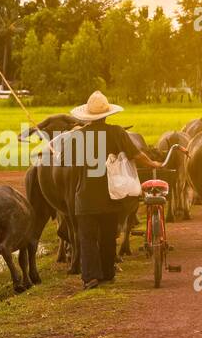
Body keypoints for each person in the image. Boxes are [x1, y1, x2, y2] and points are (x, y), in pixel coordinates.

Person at [67, 91, 169, 289]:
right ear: (106, 115)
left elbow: (66, 162)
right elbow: (136, 154)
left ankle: (90, 278)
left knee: (87, 238)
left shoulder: (78, 136)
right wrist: (153, 163)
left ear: (88, 115)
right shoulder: (116, 132)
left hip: (85, 197)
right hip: (111, 195)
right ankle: (107, 274)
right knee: (107, 235)